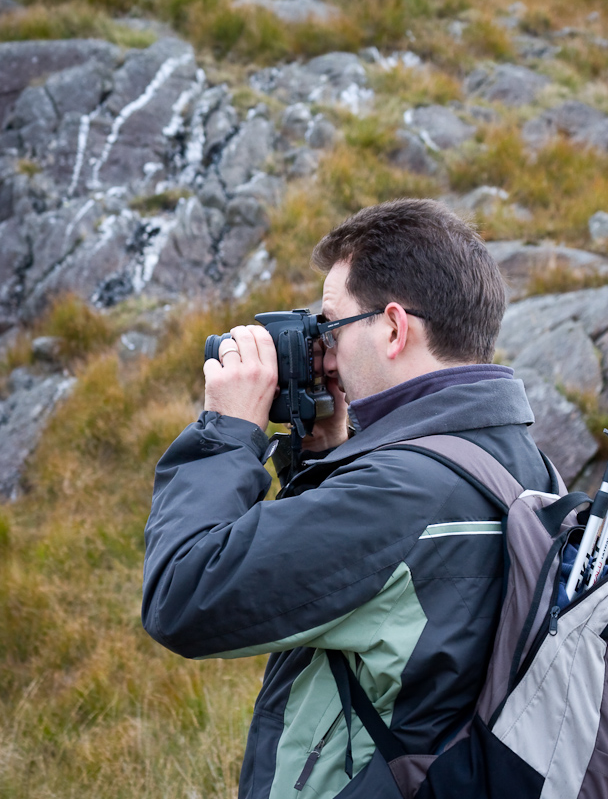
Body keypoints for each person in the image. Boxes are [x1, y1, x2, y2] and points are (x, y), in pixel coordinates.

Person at [142, 198, 554, 799]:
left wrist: (228, 434)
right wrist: (323, 455)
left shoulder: (401, 493)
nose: (324, 354)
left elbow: (183, 594)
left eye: (331, 326)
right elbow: (385, 605)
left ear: (393, 328)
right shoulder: (518, 462)